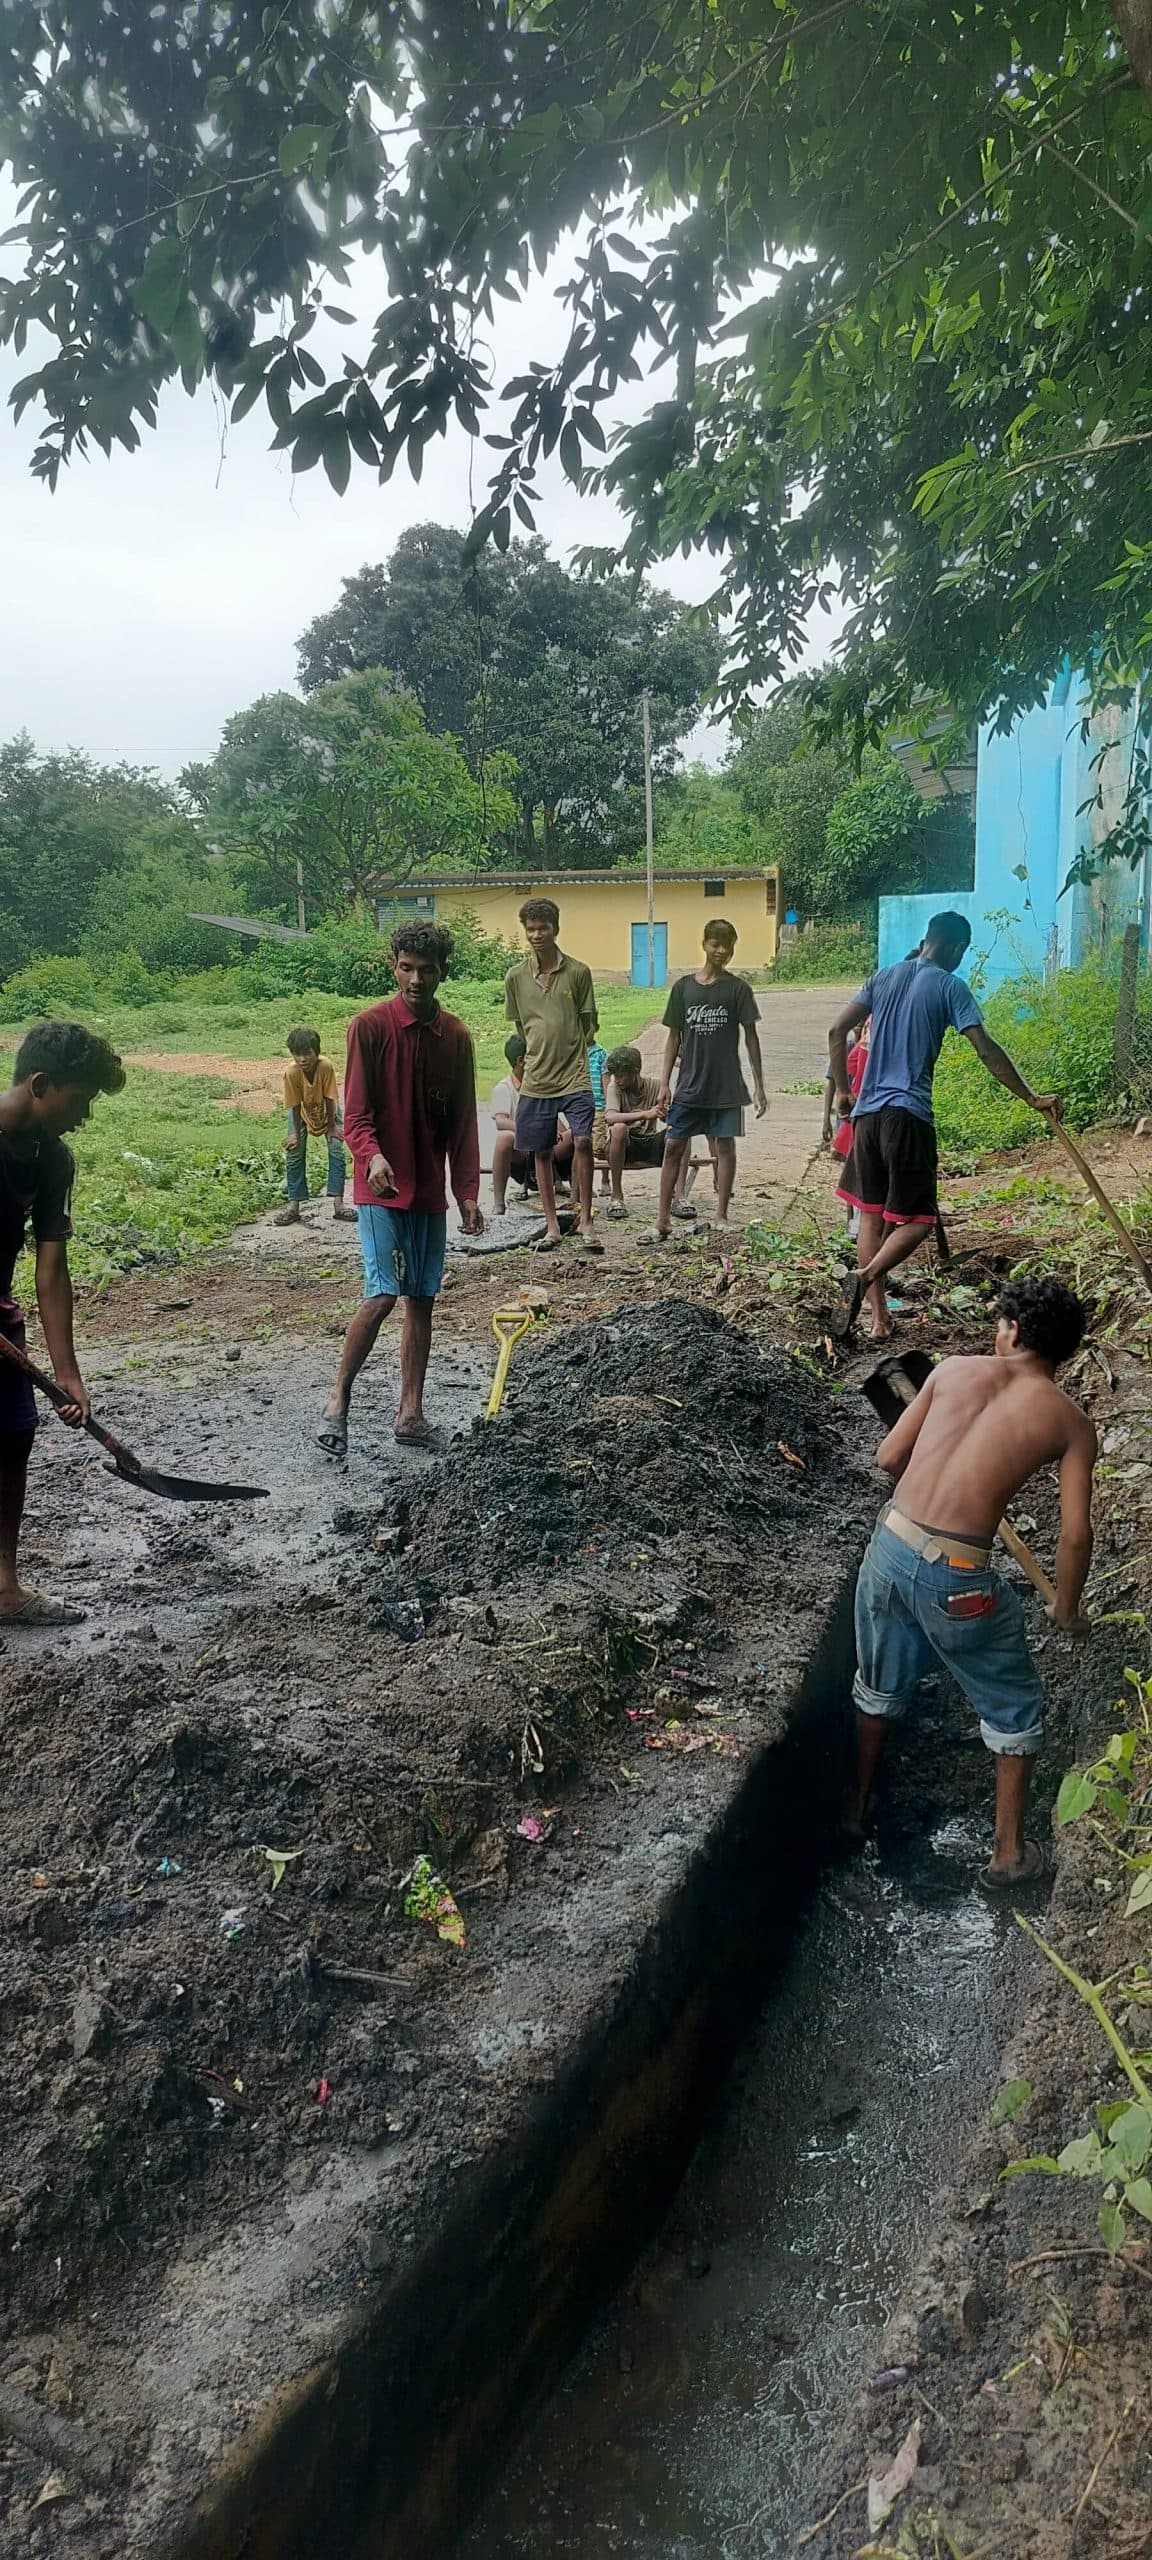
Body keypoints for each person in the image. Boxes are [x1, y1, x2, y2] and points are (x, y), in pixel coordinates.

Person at [848, 1278, 1096, 1885]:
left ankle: (853, 1809)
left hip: (889, 1546)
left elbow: (887, 1459)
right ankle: (1008, 1856)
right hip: (956, 1578)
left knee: (878, 1683)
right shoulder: (1071, 1424)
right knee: (1015, 1709)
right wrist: (1066, 1606)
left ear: (1011, 1330)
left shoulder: (954, 1368)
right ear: (1064, 1351)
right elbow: (1074, 1536)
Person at [829, 913, 1059, 1341]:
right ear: (956, 949)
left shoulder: (883, 977)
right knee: (918, 1219)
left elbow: (836, 1028)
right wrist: (1031, 1097)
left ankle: (879, 1320)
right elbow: (985, 1048)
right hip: (907, 1117)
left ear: (925, 940)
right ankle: (864, 1276)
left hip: (867, 1118)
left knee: (870, 1218)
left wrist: (844, 1091)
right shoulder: (950, 986)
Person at [317, 923, 483, 1456]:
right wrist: (371, 1157)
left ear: (442, 973)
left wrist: (469, 1192)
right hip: (380, 1188)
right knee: (383, 1292)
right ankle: (338, 1400)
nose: (416, 979)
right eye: (407, 968)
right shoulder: (368, 1027)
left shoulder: (455, 1037)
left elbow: (462, 1123)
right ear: (394, 967)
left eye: (427, 970)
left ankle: (410, 1413)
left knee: (422, 1298)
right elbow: (357, 1115)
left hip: (429, 1190)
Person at [0, 1020, 125, 1623]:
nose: (85, 1115)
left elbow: (51, 1270)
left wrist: (67, 1372)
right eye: (81, 1100)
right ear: (43, 1084)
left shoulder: (53, 1160)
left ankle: (3, 1586)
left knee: (14, 1432)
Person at [653, 919, 767, 1240]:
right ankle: (662, 1218)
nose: (721, 951)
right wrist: (664, 1083)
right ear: (704, 944)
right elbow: (673, 1037)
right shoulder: (683, 988)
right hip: (690, 1084)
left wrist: (759, 1084)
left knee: (725, 1148)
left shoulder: (738, 989)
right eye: (715, 944)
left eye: (727, 946)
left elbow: (751, 1038)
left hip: (726, 1086)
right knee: (673, 1145)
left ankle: (721, 1214)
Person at [505, 897, 602, 1254]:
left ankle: (587, 1219)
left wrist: (569, 1048)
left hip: (574, 1073)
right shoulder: (515, 977)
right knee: (540, 1151)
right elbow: (521, 1026)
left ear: (555, 929)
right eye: (530, 928)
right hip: (537, 1079)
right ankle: (551, 1226)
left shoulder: (578, 972)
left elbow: (588, 1023)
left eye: (542, 928)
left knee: (583, 1141)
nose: (536, 935)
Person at [600, 1043, 691, 1222]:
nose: (617, 1080)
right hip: (625, 1146)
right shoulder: (614, 1088)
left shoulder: (655, 1087)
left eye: (621, 1076)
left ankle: (679, 1196)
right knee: (618, 1128)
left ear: (635, 1072)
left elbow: (671, 1118)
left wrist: (665, 1114)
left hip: (650, 1143)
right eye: (614, 1076)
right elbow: (610, 1118)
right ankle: (616, 1197)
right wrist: (645, 1113)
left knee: (681, 1133)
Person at [275, 1026, 356, 1227]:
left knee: (336, 1149)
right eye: (297, 1054)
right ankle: (293, 1206)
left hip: (328, 1110)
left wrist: (331, 1127)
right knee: (294, 1153)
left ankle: (339, 1204)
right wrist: (295, 1134)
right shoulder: (291, 1072)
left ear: (316, 1052)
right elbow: (294, 1105)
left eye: (307, 1053)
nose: (302, 1059)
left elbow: (330, 1099)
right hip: (300, 1112)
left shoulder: (325, 1066)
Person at [490, 1036, 574, 1213]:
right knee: (504, 1138)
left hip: (550, 1146)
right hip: (523, 1148)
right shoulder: (504, 1088)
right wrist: (532, 1131)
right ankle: (498, 1202)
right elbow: (501, 1121)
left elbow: (554, 1116)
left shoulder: (541, 1084)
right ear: (521, 1061)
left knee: (575, 1135)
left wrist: (558, 1131)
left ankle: (576, 1194)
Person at [822, 1019, 870, 1239]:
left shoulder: (873, 1047)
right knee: (851, 1172)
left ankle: (861, 1222)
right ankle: (850, 1220)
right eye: (856, 1022)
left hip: (866, 1118)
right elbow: (832, 1083)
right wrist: (826, 1120)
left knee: (864, 1170)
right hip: (847, 1119)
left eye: (864, 1022)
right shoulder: (849, 1047)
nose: (859, 1026)